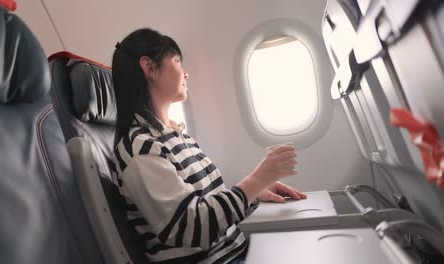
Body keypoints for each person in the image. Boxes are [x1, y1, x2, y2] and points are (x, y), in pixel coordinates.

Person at [111, 28, 307, 264]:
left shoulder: (176, 135)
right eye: (176, 61)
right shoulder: (139, 148)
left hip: (235, 253)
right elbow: (191, 228)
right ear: (150, 68)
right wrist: (257, 179)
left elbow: (209, 210)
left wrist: (255, 193)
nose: (186, 73)